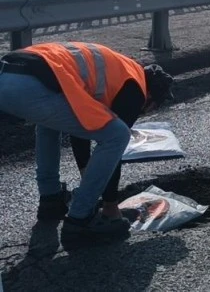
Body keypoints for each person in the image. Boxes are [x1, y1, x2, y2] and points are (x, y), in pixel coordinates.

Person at [0, 42, 174, 241]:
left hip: (8, 73)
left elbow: (81, 125)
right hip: (33, 86)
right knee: (117, 135)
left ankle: (51, 199)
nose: (148, 111)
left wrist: (86, 170)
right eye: (153, 107)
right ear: (150, 96)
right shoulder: (135, 89)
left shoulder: (121, 69)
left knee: (49, 123)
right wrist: (110, 205)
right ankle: (80, 218)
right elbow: (112, 148)